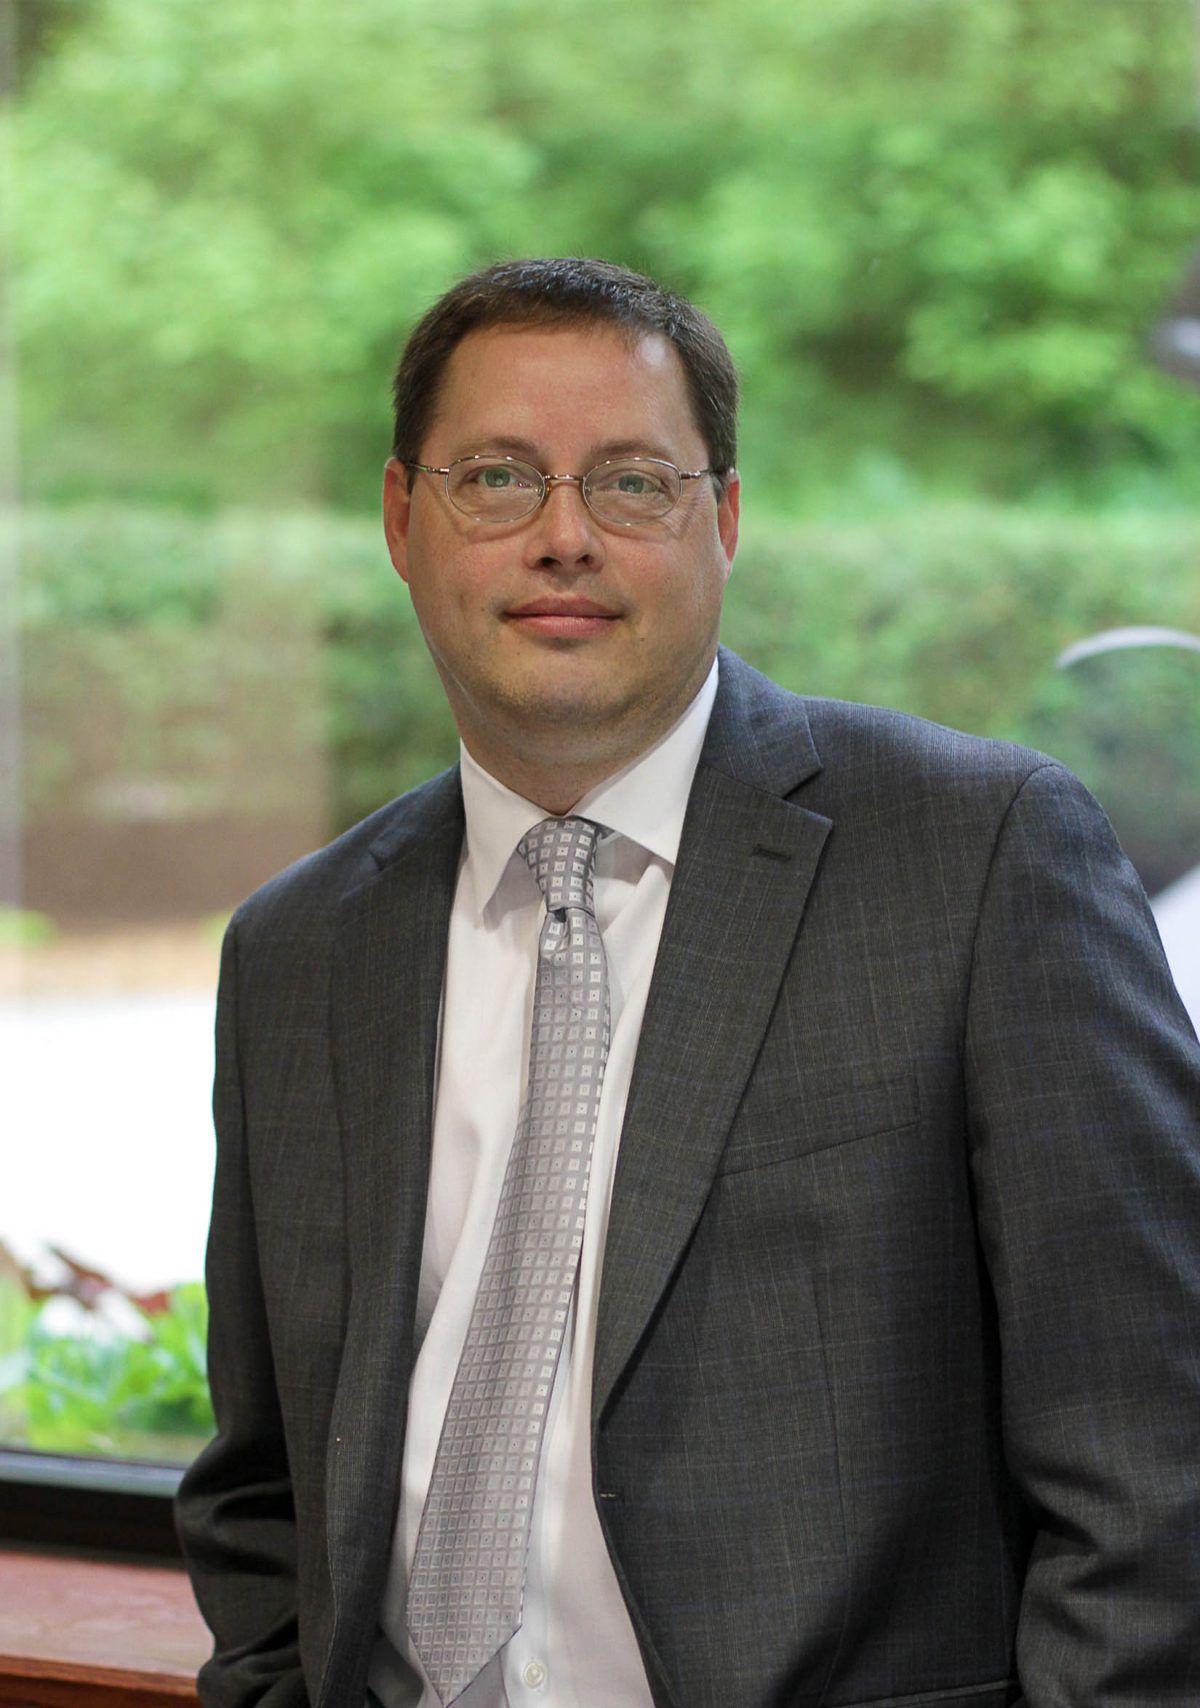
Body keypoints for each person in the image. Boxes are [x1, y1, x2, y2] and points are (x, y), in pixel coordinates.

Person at [176, 257, 1200, 1708]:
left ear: (723, 520)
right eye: (498, 479)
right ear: (404, 521)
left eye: (633, 484)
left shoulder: (983, 859)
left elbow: (1154, 1464)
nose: (564, 539)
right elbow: (259, 1487)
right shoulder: (294, 952)